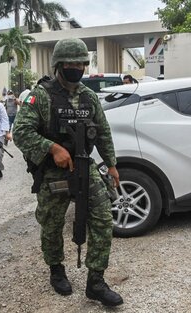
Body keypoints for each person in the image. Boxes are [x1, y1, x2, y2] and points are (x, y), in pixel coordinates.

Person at [13, 38, 123, 307]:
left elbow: (103, 131)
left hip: (85, 167)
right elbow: (20, 132)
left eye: (79, 63)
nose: (75, 67)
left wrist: (111, 163)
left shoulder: (88, 97)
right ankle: (56, 269)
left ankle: (95, 281)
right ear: (58, 65)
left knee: (102, 219)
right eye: (69, 63)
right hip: (54, 173)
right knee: (51, 224)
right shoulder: (41, 96)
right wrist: (51, 148)